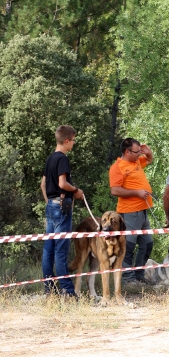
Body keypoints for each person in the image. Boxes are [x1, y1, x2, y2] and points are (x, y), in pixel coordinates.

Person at [40, 125, 84, 297]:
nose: (73, 143)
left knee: (48, 249)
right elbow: (62, 184)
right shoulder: (62, 158)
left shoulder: (50, 158)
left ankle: (49, 289)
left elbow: (43, 184)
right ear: (66, 141)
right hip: (61, 207)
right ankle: (67, 289)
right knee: (61, 249)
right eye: (73, 141)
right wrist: (76, 192)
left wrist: (49, 203)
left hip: (51, 206)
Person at [109, 138, 155, 284]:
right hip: (129, 212)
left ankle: (139, 275)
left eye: (139, 151)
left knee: (147, 244)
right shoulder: (117, 167)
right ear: (127, 152)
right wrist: (136, 193)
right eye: (136, 152)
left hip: (143, 210)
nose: (138, 154)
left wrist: (148, 153)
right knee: (128, 245)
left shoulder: (136, 162)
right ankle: (127, 278)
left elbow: (149, 160)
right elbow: (115, 190)